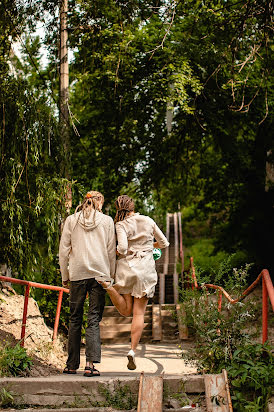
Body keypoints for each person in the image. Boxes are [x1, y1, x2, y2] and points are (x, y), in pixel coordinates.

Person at [99, 195, 169, 370]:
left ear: (118, 208)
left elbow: (122, 248)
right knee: (138, 314)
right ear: (132, 206)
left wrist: (115, 253)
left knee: (125, 311)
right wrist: (148, 248)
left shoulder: (120, 224)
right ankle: (132, 351)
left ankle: (109, 287)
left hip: (127, 269)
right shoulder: (147, 220)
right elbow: (164, 243)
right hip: (145, 270)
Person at [59, 191, 116, 377]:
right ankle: (90, 365)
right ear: (100, 203)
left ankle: (71, 365)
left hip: (77, 274)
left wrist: (64, 275)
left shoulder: (71, 220)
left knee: (74, 318)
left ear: (84, 201)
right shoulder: (107, 221)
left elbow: (63, 251)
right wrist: (111, 277)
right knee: (93, 319)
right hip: (100, 275)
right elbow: (110, 252)